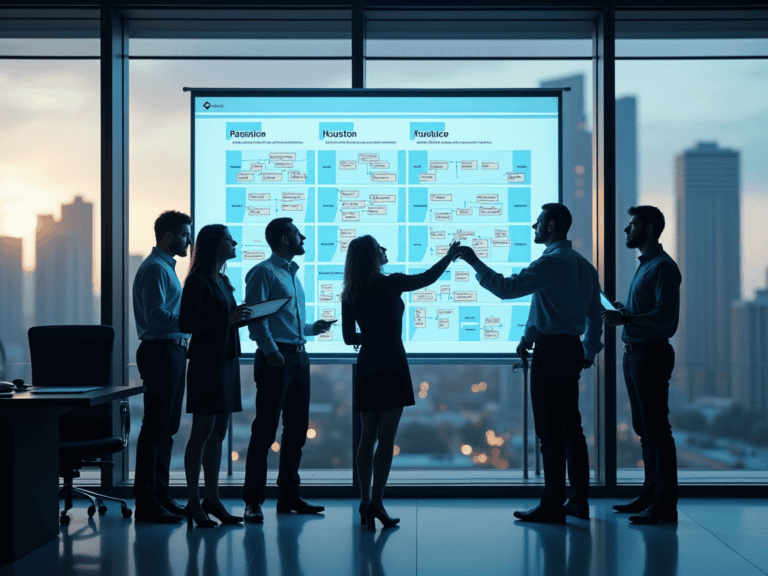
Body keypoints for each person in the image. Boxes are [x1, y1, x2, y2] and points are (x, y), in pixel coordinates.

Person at [456, 203, 603, 524]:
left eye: (538, 223)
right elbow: (594, 316)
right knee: (572, 430)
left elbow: (507, 289)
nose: (534, 227)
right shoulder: (585, 266)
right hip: (571, 351)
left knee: (549, 432)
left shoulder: (551, 263)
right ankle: (577, 501)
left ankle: (551, 504)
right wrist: (588, 353)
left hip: (551, 354)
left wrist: (473, 261)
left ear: (550, 226)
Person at [341, 235, 461, 529]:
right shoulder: (390, 283)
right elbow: (427, 278)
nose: (385, 250)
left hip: (368, 364)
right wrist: (448, 257)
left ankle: (364, 501)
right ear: (372, 256)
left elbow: (348, 338)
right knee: (386, 439)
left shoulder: (350, 294)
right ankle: (378, 503)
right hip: (393, 363)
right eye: (380, 248)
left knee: (366, 436)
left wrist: (368, 338)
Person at [241, 217, 335, 523]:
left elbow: (285, 323)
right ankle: (253, 501)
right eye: (296, 233)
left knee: (296, 432)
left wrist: (311, 329)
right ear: (284, 239)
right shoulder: (264, 272)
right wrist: (270, 351)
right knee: (265, 432)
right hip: (276, 359)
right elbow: (255, 317)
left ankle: (289, 497)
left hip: (298, 356)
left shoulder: (293, 276)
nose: (302, 237)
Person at [604, 205, 681, 524]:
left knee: (657, 430)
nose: (626, 230)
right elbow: (647, 311)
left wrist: (626, 318)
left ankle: (665, 504)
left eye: (632, 225)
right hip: (636, 353)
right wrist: (626, 312)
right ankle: (651, 495)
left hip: (650, 354)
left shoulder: (662, 267)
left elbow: (666, 318)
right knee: (644, 429)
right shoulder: (647, 265)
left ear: (648, 230)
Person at [179, 224, 254, 527]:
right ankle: (194, 502)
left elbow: (226, 320)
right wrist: (228, 319)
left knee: (219, 432)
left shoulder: (221, 280)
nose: (234, 243)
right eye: (228, 239)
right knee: (202, 432)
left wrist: (244, 317)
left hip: (226, 361)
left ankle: (213, 498)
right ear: (215, 245)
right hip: (206, 364)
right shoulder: (197, 281)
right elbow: (186, 323)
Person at [132, 210, 193, 523]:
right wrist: (190, 322)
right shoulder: (156, 269)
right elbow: (156, 314)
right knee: (156, 429)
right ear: (169, 236)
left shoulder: (165, 268)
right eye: (184, 234)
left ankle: (161, 495)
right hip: (161, 351)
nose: (188, 240)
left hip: (173, 350)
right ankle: (147, 503)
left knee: (166, 429)